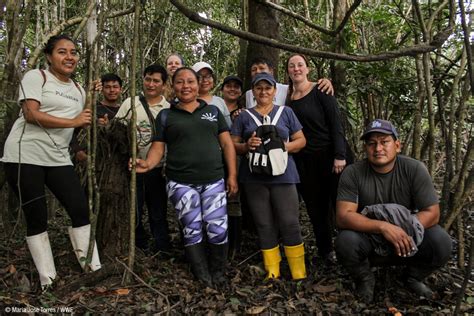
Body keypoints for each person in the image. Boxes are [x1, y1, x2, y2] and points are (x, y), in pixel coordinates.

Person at [1, 34, 101, 290]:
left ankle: (93, 268)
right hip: (25, 155)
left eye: (74, 52)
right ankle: (49, 281)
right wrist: (74, 122)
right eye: (62, 52)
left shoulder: (78, 90)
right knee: (37, 216)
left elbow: (79, 123)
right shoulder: (37, 77)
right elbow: (31, 113)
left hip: (58, 157)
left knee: (79, 208)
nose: (70, 57)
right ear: (49, 56)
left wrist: (91, 107)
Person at [134, 67, 237, 286]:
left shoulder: (212, 112)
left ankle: (218, 271)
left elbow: (227, 144)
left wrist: (233, 176)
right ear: (173, 86)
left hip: (213, 179)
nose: (186, 86)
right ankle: (202, 274)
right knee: (192, 227)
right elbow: (158, 148)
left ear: (198, 85)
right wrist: (148, 163)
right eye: (180, 82)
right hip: (180, 181)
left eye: (190, 81)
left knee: (217, 227)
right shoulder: (166, 115)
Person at [335, 119, 452, 303]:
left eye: (384, 141)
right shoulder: (353, 173)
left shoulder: (414, 169)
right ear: (366, 148)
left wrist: (403, 230)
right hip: (371, 236)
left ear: (397, 145)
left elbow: (432, 212)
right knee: (345, 241)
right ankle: (365, 278)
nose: (378, 148)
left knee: (442, 242)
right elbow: (343, 217)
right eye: (372, 143)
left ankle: (412, 277)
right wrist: (384, 227)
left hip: (408, 236)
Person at [231, 72, 307, 280]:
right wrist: (246, 146)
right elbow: (231, 145)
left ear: (275, 91)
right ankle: (272, 269)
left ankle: (298, 271)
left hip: (284, 175)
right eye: (259, 88)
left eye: (267, 88)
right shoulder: (244, 116)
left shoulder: (286, 112)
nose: (263, 91)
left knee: (290, 221)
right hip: (254, 177)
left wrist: (285, 146)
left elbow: (301, 140)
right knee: (264, 224)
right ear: (253, 92)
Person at [286, 53, 353, 264]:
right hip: (306, 162)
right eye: (291, 66)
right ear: (288, 71)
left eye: (300, 65)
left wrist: (340, 156)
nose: (296, 68)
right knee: (316, 208)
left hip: (332, 157)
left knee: (341, 206)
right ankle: (326, 251)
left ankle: (352, 249)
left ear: (307, 69)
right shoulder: (286, 97)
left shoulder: (321, 90)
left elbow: (336, 124)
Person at [115, 64, 171, 253]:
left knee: (158, 211)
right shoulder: (130, 103)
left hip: (158, 170)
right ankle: (139, 245)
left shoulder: (169, 109)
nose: (151, 84)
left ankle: (162, 247)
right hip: (133, 167)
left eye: (156, 81)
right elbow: (117, 131)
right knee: (135, 209)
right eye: (148, 79)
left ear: (164, 85)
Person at [243, 57, 334, 109]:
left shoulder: (286, 89)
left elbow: (304, 89)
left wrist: (324, 82)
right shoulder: (248, 94)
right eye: (254, 70)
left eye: (262, 68)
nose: (258, 72)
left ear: (271, 71)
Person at [74, 73, 123, 162]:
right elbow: (74, 130)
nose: (112, 90)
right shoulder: (93, 107)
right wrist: (78, 151)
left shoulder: (125, 109)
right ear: (102, 90)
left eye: (115, 87)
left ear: (121, 89)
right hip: (95, 157)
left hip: (118, 159)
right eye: (107, 87)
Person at [220, 75, 244, 258]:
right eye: (228, 86)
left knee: (234, 201)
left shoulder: (244, 112)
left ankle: (234, 246)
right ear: (222, 89)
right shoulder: (214, 109)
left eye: (236, 87)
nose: (232, 89)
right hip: (214, 161)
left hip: (237, 161)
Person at [191, 61, 232, 127]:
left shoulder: (220, 102)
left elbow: (228, 128)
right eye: (200, 76)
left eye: (208, 76)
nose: (205, 80)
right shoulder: (184, 101)